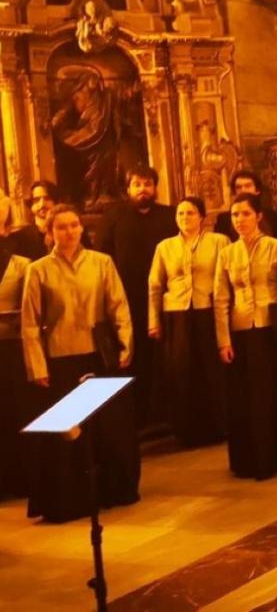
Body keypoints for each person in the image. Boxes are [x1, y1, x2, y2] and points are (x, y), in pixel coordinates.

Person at [22, 204, 141, 522]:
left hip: (99, 355)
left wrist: (126, 342)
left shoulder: (102, 263)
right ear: (50, 232)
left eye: (74, 225)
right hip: (61, 358)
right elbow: (31, 324)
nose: (70, 231)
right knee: (69, 433)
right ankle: (70, 499)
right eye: (61, 227)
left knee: (108, 428)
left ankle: (113, 490)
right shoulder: (39, 270)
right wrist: (37, 366)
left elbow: (118, 305)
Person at [214, 193, 277, 480]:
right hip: (242, 330)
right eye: (235, 215)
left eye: (245, 214)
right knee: (249, 398)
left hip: (274, 330)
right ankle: (253, 458)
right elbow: (221, 300)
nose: (240, 220)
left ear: (258, 216)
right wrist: (223, 340)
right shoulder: (226, 253)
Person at [96, 165, 178, 424]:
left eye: (148, 184)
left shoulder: (169, 215)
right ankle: (138, 416)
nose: (143, 189)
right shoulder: (113, 216)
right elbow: (102, 256)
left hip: (164, 299)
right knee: (132, 356)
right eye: (137, 184)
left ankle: (165, 414)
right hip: (126, 298)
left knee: (164, 356)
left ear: (155, 187)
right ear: (128, 188)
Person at [147, 197, 230, 446]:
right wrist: (153, 320)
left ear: (202, 216)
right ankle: (185, 430)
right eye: (181, 214)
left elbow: (226, 276)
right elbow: (154, 285)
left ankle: (218, 425)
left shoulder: (218, 241)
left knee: (210, 368)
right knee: (182, 370)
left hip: (207, 309)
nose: (185, 218)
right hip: (176, 313)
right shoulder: (165, 247)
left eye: (191, 213)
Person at [0, 193, 34, 499]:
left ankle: (20, 479)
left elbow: (31, 308)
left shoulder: (21, 262)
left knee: (14, 413)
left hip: (11, 348)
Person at [13, 179, 92, 259]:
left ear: (56, 201)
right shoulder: (20, 238)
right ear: (31, 204)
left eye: (47, 199)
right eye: (36, 200)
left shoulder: (75, 230)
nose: (42, 204)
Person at [214, 170, 277, 243]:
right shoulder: (223, 220)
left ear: (257, 191)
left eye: (248, 186)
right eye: (238, 187)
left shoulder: (273, 217)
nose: (243, 190)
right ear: (234, 193)